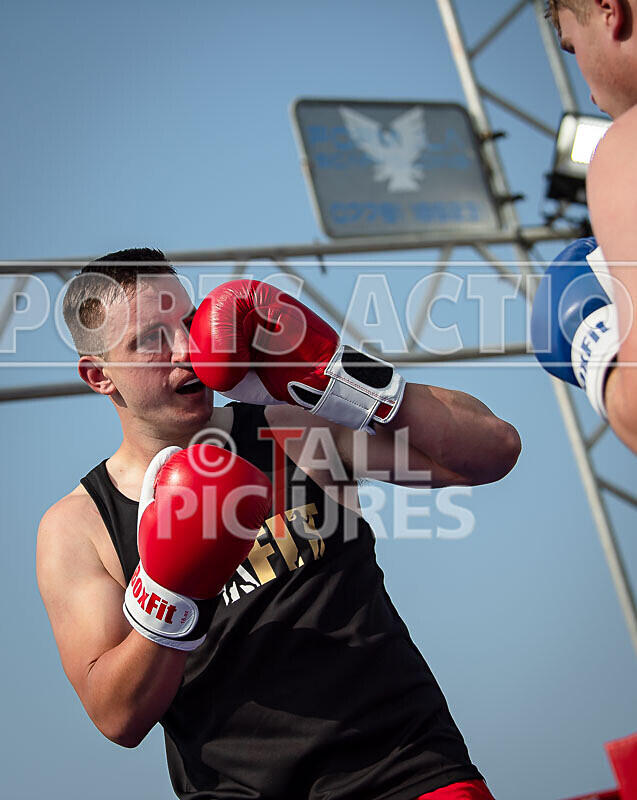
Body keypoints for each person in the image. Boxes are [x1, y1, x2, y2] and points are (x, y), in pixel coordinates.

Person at [36, 248, 521, 800]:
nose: (185, 353)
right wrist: (167, 596)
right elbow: (116, 717)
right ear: (100, 376)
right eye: (150, 339)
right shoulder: (79, 527)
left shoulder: (291, 424)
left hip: (407, 768)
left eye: (189, 325)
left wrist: (343, 377)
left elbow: (493, 450)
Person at [536, 0, 637, 453]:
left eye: (574, 49)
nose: (591, 96)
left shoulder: (627, 145)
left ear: (608, 11)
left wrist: (592, 348)